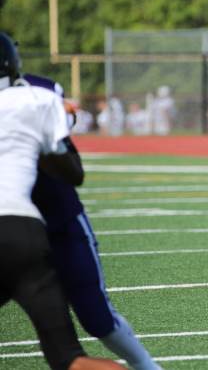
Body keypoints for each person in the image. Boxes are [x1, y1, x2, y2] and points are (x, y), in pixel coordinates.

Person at [0, 32, 124, 370]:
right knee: (69, 359)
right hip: (23, 231)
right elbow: (73, 171)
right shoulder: (34, 98)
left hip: (21, 227)